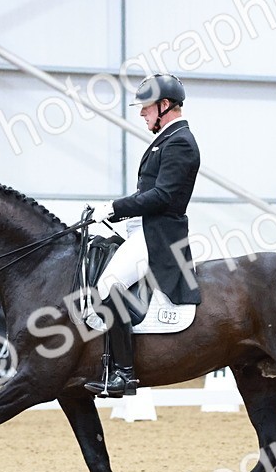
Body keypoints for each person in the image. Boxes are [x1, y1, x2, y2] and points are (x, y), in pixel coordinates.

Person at [84, 74, 202, 398]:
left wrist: (114, 207)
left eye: (146, 108)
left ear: (164, 106)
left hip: (158, 235)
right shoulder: (166, 139)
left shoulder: (180, 141)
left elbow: (162, 196)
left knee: (107, 286)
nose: (142, 114)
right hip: (143, 228)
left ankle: (124, 373)